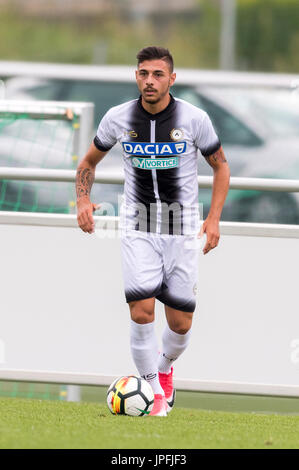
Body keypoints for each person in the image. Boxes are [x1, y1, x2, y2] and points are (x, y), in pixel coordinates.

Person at [76, 46, 230, 416]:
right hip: (137, 226)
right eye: (143, 73)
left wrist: (213, 218)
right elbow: (88, 162)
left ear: (171, 79)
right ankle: (151, 396)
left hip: (182, 230)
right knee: (142, 311)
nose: (150, 80)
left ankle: (163, 371)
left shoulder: (194, 119)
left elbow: (221, 168)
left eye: (158, 74)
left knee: (180, 324)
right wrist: (82, 198)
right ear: (136, 77)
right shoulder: (118, 118)